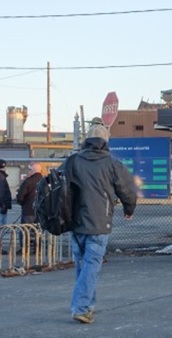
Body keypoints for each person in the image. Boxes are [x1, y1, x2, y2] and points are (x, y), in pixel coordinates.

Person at [64, 125, 137, 324]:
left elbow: (60, 187)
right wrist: (129, 210)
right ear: (106, 141)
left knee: (82, 264)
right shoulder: (112, 164)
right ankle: (81, 306)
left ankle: (86, 304)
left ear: (87, 139)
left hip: (75, 221)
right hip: (99, 221)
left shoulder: (73, 161)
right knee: (91, 265)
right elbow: (128, 189)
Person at [16, 162, 43, 252]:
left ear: (32, 170)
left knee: (25, 230)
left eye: (30, 170)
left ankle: (25, 248)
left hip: (28, 210)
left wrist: (22, 203)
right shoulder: (45, 181)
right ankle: (37, 248)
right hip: (41, 211)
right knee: (38, 230)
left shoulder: (28, 181)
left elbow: (20, 196)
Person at [0, 159, 11, 227]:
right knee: (2, 224)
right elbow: (2, 192)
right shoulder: (1, 177)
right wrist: (4, 204)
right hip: (1, 205)